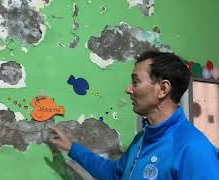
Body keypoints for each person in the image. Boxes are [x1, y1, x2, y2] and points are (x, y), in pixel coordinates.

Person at [49, 51, 219, 180]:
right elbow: (115, 174)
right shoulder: (142, 139)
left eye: (136, 81)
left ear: (163, 89)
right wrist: (72, 148)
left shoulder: (193, 149)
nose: (128, 89)